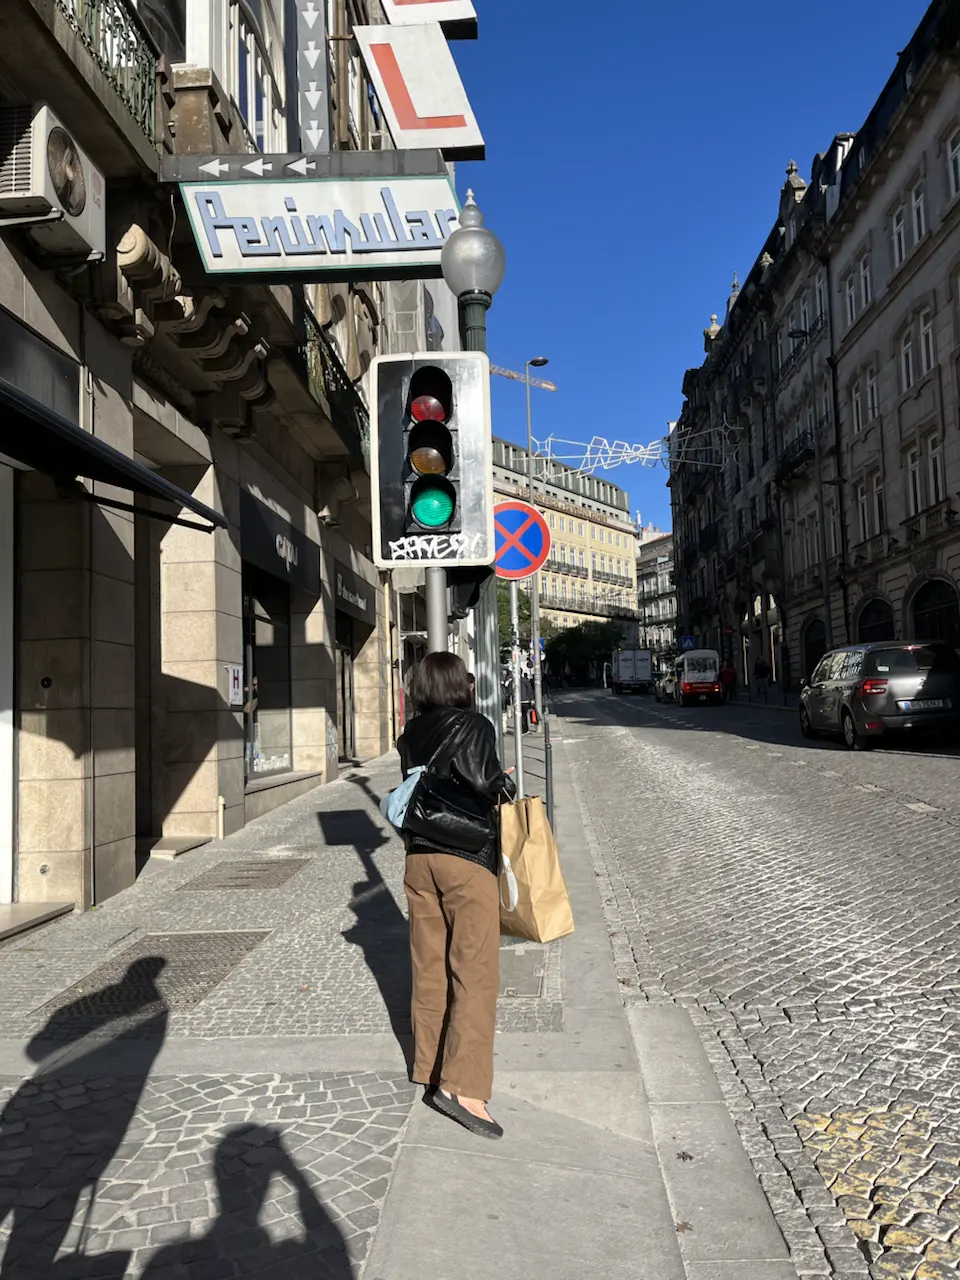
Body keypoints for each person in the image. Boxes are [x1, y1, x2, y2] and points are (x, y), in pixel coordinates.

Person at [397, 652, 515, 1140]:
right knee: (474, 973)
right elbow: (486, 785)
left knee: (428, 970)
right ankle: (462, 1088)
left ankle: (428, 1068)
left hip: (419, 858)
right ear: (458, 685)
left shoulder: (410, 735)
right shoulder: (475, 726)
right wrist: (503, 782)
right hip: (466, 859)